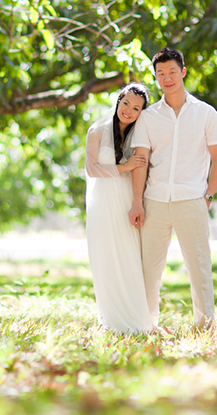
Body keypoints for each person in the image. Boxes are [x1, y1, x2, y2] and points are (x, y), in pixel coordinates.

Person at [128, 47, 217, 329]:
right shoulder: (148, 117)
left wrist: (208, 195)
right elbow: (141, 161)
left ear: (183, 72)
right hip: (154, 201)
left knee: (199, 268)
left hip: (191, 199)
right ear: (156, 77)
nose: (167, 78)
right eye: (161, 74)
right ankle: (145, 325)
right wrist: (137, 202)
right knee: (149, 271)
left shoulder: (206, 114)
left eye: (172, 72)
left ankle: (205, 326)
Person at [84, 83, 153, 334]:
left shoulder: (139, 135)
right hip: (103, 203)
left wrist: (137, 202)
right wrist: (125, 167)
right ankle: (111, 321)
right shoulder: (97, 131)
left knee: (128, 257)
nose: (129, 111)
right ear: (118, 100)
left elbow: (142, 167)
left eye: (136, 108)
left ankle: (135, 319)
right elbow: (91, 169)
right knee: (106, 259)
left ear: (141, 113)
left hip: (126, 201)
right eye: (126, 104)